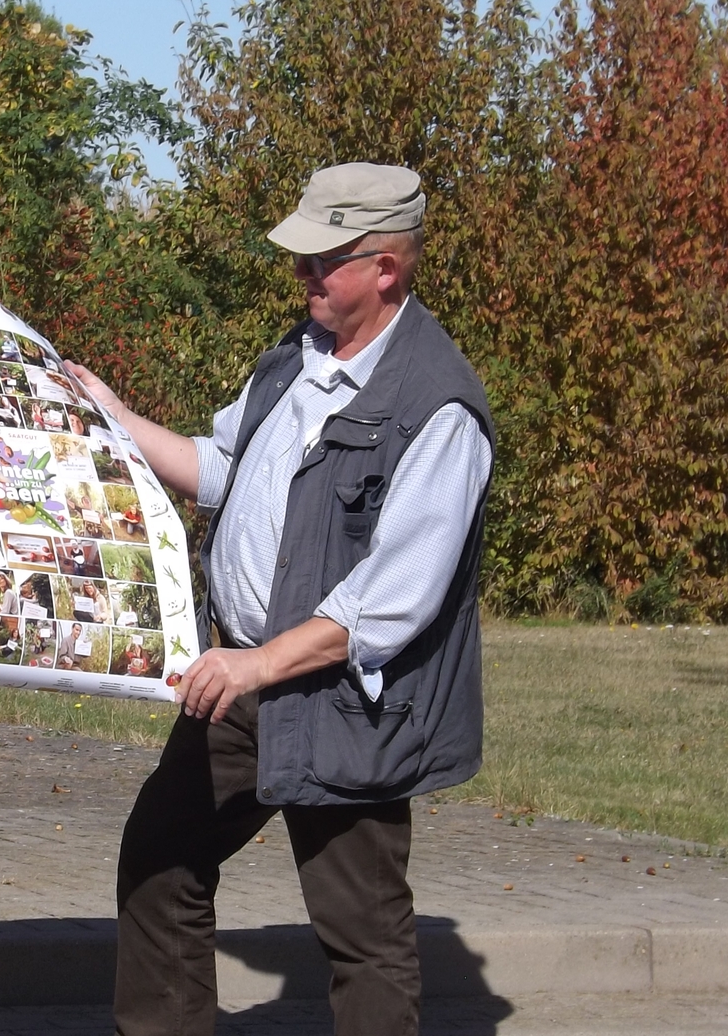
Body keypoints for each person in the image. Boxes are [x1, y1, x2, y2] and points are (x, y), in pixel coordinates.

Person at [66, 163, 493, 1036]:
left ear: (387, 267)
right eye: (299, 260)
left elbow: (394, 601)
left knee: (361, 931)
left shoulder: (437, 407)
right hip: (242, 680)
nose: (301, 277)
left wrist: (258, 661)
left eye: (320, 261)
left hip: (341, 699)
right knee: (160, 858)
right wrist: (111, 416)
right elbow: (218, 470)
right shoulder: (291, 362)